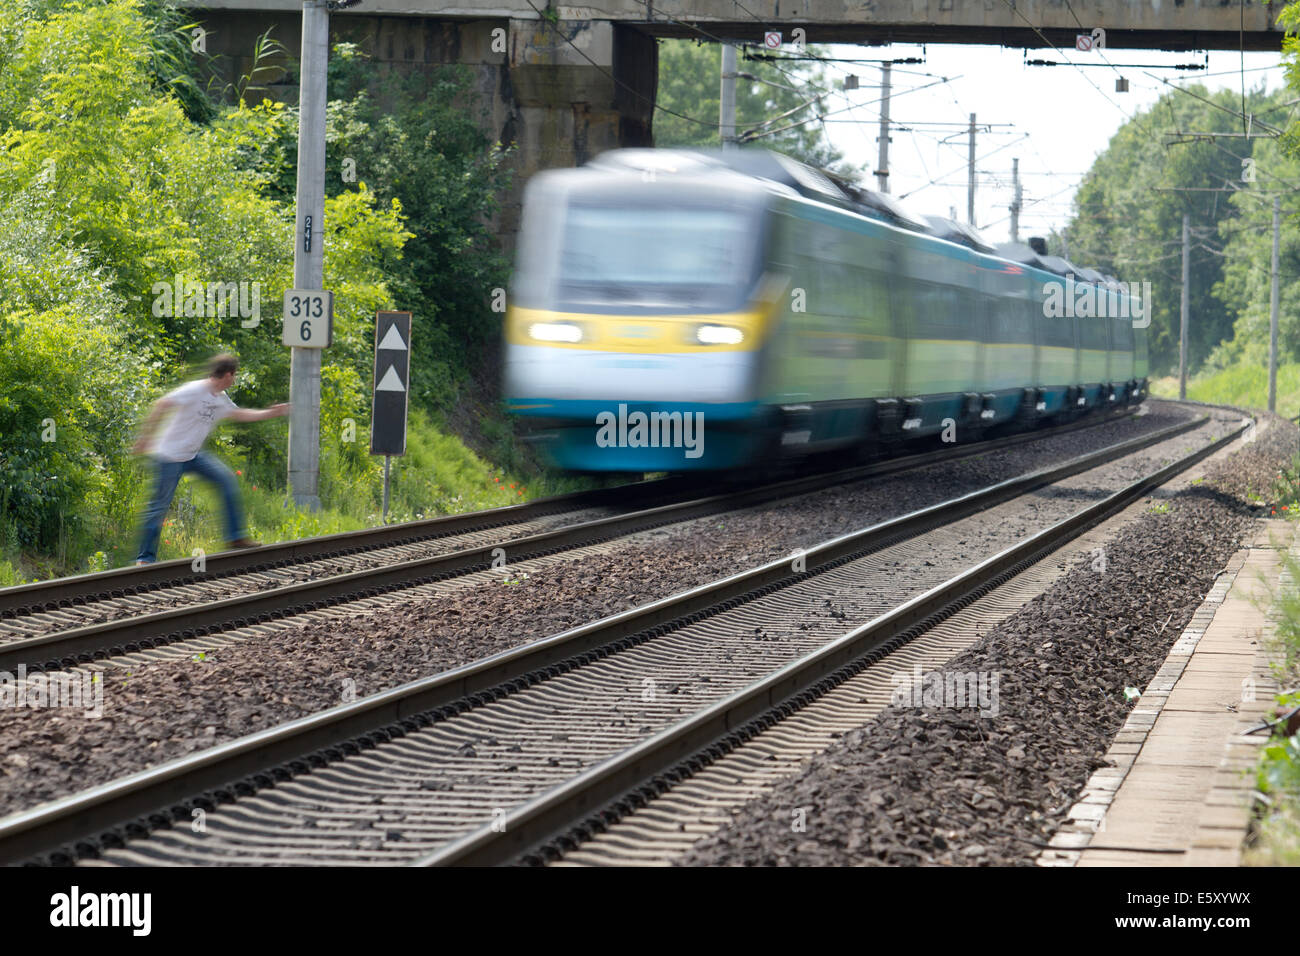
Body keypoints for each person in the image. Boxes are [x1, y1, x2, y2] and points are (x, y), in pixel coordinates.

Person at [132, 353, 289, 565]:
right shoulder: (194, 390)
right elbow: (162, 404)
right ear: (227, 374)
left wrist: (271, 413)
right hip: (169, 456)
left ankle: (235, 538)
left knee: (226, 480)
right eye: (234, 376)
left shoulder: (221, 398)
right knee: (159, 507)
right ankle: (144, 559)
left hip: (193, 455)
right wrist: (145, 437)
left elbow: (240, 414)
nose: (234, 380)